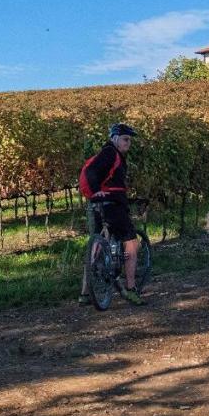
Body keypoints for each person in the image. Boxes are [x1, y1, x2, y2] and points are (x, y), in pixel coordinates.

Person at [79, 123, 144, 306]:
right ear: (114, 138)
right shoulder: (110, 153)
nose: (128, 143)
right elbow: (92, 171)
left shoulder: (112, 154)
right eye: (125, 139)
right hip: (112, 206)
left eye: (129, 140)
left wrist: (96, 194)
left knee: (96, 247)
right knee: (131, 243)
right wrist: (96, 190)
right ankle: (131, 289)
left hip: (98, 205)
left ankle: (85, 294)